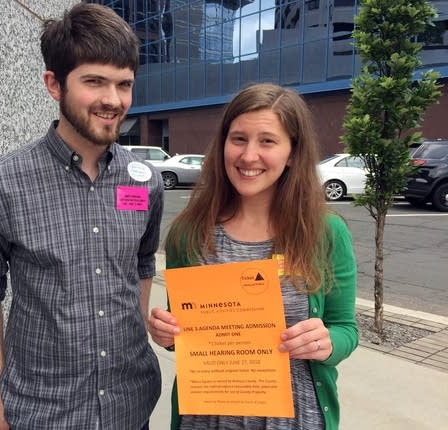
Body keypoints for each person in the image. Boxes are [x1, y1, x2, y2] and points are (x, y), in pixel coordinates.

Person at [0, 4, 164, 429]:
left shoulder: (145, 182)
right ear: (54, 84)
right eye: (95, 82)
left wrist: (140, 331)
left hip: (131, 403)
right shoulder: (1, 186)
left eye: (124, 84)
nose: (113, 100)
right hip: (43, 410)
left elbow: (143, 262)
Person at [148, 83, 358, 430]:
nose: (248, 156)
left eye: (267, 141)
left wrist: (326, 342)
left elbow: (346, 330)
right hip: (205, 419)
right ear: (223, 145)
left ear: (292, 152)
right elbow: (183, 334)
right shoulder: (189, 234)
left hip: (295, 419)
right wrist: (167, 333)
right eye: (239, 139)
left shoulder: (325, 233)